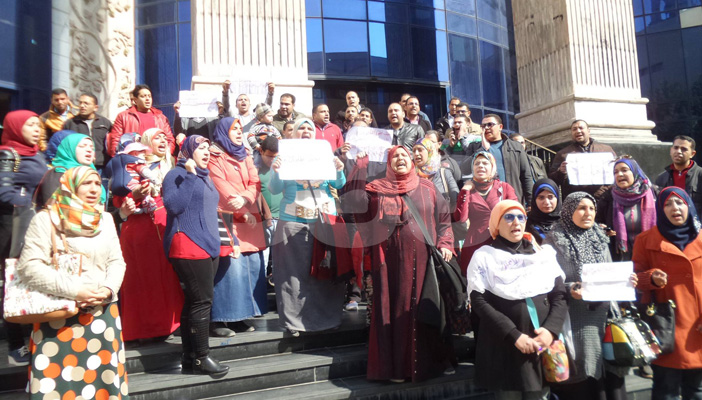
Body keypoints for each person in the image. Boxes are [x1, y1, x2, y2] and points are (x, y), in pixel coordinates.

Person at [345, 145, 454, 383]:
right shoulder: (375, 190)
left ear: (412, 161)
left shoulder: (428, 187)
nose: (401, 159)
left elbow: (444, 219)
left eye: (405, 155)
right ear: (388, 163)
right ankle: (395, 369)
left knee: (424, 310)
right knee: (392, 311)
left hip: (424, 263)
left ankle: (429, 365)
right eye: (395, 156)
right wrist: (359, 168)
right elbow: (354, 203)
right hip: (388, 265)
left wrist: (446, 243)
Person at [17, 166, 128, 398]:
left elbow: (117, 261)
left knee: (102, 385)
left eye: (97, 183)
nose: (94, 189)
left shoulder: (105, 219)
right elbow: (29, 267)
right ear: (70, 186)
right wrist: (76, 291)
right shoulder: (46, 219)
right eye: (86, 183)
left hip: (103, 314)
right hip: (59, 315)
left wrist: (108, 289)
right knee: (61, 386)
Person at [467, 200, 567, 399]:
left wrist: (550, 330)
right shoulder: (484, 257)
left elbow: (560, 295)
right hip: (504, 347)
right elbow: (479, 302)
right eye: (509, 217)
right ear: (496, 223)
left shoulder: (542, 255)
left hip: (540, 344)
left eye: (521, 217)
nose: (516, 222)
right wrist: (514, 335)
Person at [543, 192, 630, 400]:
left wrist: (626, 282)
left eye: (591, 208)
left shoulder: (599, 236)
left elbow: (609, 272)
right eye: (581, 208)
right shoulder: (554, 241)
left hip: (605, 319)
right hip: (577, 320)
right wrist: (570, 288)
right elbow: (547, 282)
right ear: (569, 210)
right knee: (586, 381)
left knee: (611, 379)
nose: (588, 213)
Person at [269, 118, 346, 336]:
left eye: (309, 128)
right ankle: (293, 323)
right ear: (293, 133)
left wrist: (339, 170)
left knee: (325, 271)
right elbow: (274, 189)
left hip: (324, 222)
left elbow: (338, 184)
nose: (305, 131)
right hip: (292, 222)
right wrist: (276, 170)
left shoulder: (325, 154)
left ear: (315, 133)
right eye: (301, 128)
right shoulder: (284, 156)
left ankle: (329, 319)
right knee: (292, 276)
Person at [163, 135, 229, 375]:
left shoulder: (205, 176)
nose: (206, 152)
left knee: (194, 301)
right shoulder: (176, 174)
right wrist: (190, 175)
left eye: (208, 148)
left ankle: (190, 356)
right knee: (202, 302)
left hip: (208, 244)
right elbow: (174, 206)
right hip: (188, 244)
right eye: (201, 148)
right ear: (188, 151)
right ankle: (202, 357)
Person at [633, 186, 702, 399]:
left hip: (698, 326)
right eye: (668, 204)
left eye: (680, 202)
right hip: (665, 327)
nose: (675, 208)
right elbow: (634, 279)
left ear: (689, 206)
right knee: (666, 390)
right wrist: (651, 278)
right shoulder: (646, 240)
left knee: (697, 390)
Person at [118, 127, 183, 344]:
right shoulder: (132, 165)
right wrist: (134, 196)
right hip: (140, 228)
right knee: (142, 279)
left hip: (166, 225)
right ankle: (142, 329)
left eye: (165, 137)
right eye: (157, 138)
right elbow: (119, 196)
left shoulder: (173, 164)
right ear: (146, 143)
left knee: (166, 276)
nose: (163, 141)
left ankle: (169, 323)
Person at [208, 117, 269, 336]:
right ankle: (220, 319)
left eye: (239, 129)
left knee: (249, 266)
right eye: (233, 129)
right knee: (230, 268)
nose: (237, 132)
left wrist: (245, 199)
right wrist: (242, 209)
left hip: (249, 215)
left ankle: (240, 316)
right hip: (227, 217)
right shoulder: (214, 155)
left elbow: (255, 182)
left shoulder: (245, 154)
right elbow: (220, 186)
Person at [0, 110, 48, 366]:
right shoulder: (9, 154)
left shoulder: (36, 154)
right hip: (14, 226)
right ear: (16, 128)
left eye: (38, 125)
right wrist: (28, 203)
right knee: (15, 282)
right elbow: (3, 191)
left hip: (35, 224)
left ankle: (34, 338)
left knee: (33, 280)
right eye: (30, 125)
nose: (37, 129)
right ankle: (15, 345)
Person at [453, 151, 518, 271]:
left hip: (501, 242)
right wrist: (465, 191)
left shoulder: (504, 188)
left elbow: (516, 212)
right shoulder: (468, 191)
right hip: (475, 244)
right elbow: (461, 218)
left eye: (485, 163)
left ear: (493, 167)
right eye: (477, 163)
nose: (480, 166)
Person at [461, 114, 533, 205]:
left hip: (512, 200)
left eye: (490, 124)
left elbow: (526, 176)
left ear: (500, 127)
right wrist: (482, 149)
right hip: (486, 203)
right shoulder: (475, 147)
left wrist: (531, 202)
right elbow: (464, 169)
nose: (486, 128)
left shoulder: (515, 147)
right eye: (483, 126)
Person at [597, 157, 657, 261]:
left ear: (635, 172)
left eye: (624, 170)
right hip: (621, 257)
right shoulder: (608, 197)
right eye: (615, 172)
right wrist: (602, 229)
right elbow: (597, 222)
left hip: (650, 254)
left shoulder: (654, 194)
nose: (619, 174)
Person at [548, 120, 616, 201]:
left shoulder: (606, 150)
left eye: (581, 128)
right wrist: (560, 172)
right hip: (576, 200)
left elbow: (617, 172)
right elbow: (552, 179)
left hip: (603, 199)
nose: (578, 131)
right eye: (574, 129)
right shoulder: (563, 154)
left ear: (588, 130)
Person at [107, 84, 176, 157]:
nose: (147, 99)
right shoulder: (123, 116)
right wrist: (120, 159)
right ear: (135, 100)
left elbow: (170, 140)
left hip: (157, 159)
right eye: (143, 96)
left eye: (149, 96)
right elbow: (115, 141)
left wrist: (166, 156)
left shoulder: (161, 117)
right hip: (133, 159)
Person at [34, 133, 98, 209]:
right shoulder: (58, 173)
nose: (89, 150)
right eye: (82, 146)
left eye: (92, 147)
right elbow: (52, 205)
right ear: (69, 149)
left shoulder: (93, 174)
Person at [62, 93, 112, 173]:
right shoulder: (70, 123)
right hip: (78, 166)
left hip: (101, 167)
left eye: (86, 103)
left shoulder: (105, 123)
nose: (82, 106)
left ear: (95, 108)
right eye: (80, 103)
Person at [654, 135, 702, 213]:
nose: (678, 151)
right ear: (671, 150)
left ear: (692, 154)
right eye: (676, 148)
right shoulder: (662, 178)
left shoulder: (700, 175)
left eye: (684, 149)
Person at [413, 137, 458, 210]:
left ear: (430, 151)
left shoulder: (444, 173)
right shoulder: (412, 175)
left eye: (420, 150)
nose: (416, 153)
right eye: (414, 151)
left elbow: (455, 200)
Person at [526, 178, 561, 244]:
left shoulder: (566, 222)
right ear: (534, 200)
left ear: (557, 198)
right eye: (541, 197)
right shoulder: (526, 224)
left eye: (550, 197)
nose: (547, 202)